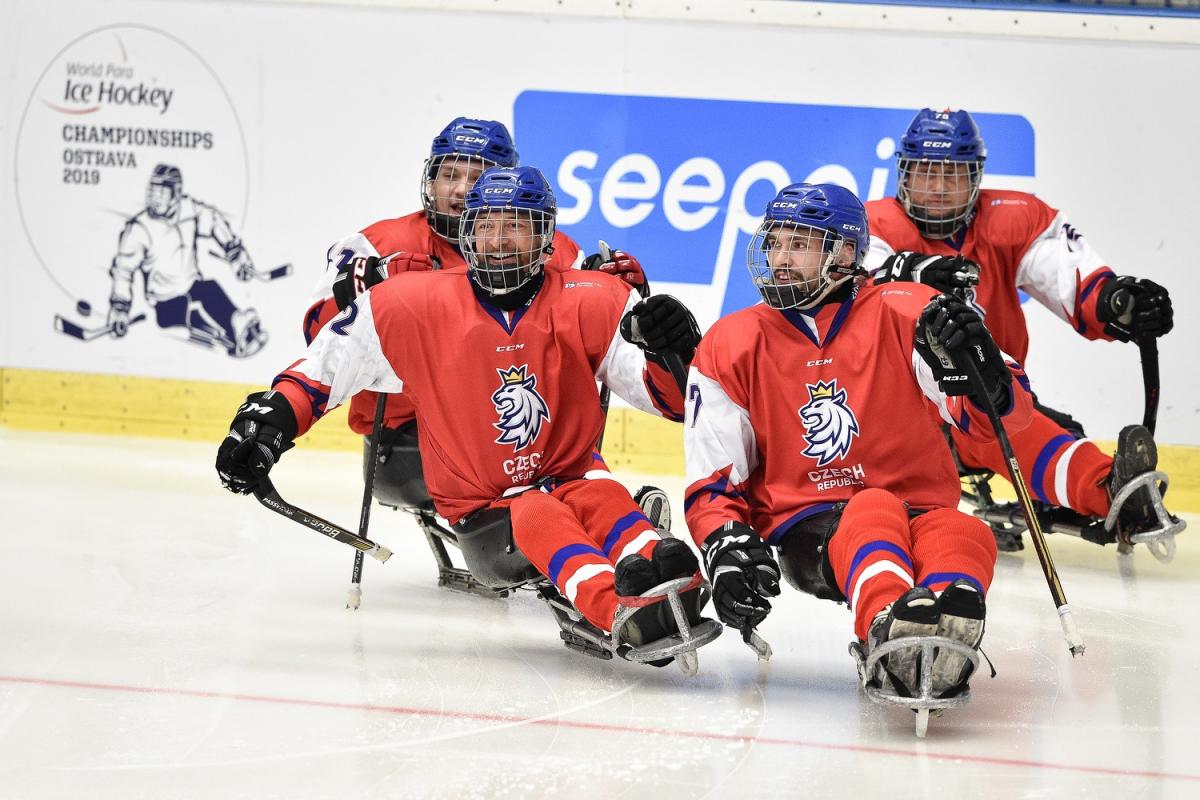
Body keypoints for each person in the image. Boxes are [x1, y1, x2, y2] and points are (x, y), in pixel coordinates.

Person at [218, 166, 709, 661]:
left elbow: (667, 400)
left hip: (575, 474)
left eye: (516, 225)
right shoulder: (411, 305)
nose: (498, 240)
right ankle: (618, 608)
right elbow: (324, 368)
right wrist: (266, 428)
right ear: (468, 232)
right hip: (488, 514)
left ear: (545, 237)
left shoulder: (595, 298)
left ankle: (670, 577)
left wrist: (674, 355)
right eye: (486, 225)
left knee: (604, 497)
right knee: (538, 511)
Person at [683, 182, 1033, 708]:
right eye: (775, 242)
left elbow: (994, 426)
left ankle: (943, 636)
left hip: (918, 509)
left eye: (798, 245)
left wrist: (988, 378)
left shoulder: (912, 311)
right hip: (811, 526)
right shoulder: (730, 342)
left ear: (845, 253)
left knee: (965, 529)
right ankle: (887, 630)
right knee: (873, 508)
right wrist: (726, 546)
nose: (779, 258)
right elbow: (713, 477)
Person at [302, 117, 647, 518]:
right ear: (430, 180)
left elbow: (583, 314)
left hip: (519, 425)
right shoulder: (378, 244)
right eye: (450, 174)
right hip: (407, 436)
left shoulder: (543, 244)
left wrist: (619, 292)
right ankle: (607, 517)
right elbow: (318, 337)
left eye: (478, 175)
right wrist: (363, 286)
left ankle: (604, 516)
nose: (462, 189)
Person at [866, 108, 1177, 549]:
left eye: (952, 175)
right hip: (894, 414)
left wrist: (1116, 302)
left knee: (1023, 425)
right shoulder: (869, 225)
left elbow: (1064, 274)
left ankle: (1113, 489)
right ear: (903, 173)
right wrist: (912, 270)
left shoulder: (1010, 218)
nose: (937, 188)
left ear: (976, 177)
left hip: (983, 394)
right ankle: (1105, 490)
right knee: (1003, 426)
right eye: (925, 173)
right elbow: (854, 281)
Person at [107, 163, 268, 357]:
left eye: (161, 192)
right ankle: (234, 335)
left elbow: (214, 220)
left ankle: (239, 325)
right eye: (152, 191)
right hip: (166, 302)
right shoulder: (140, 229)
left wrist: (235, 253)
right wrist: (120, 308)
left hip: (192, 286)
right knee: (198, 304)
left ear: (175, 193)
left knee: (210, 288)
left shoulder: (188, 210)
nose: (154, 198)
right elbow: (123, 270)